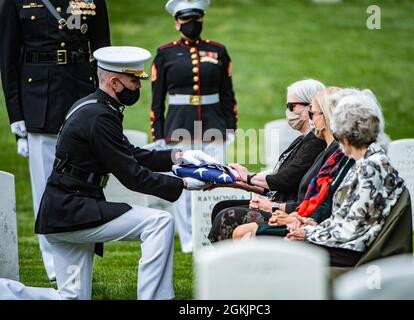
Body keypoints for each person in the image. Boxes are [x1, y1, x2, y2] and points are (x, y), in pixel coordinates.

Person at [0, 46, 213, 300]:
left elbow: (130, 153)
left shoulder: (95, 107)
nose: (138, 86)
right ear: (114, 82)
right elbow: (133, 176)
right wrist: (185, 184)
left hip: (64, 211)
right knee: (159, 222)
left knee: (71, 298)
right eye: (133, 80)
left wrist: (178, 156)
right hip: (73, 213)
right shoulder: (99, 117)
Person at [0, 0, 111, 281]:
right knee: (45, 188)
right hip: (39, 99)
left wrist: (105, 104)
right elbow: (8, 58)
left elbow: (103, 51)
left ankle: (80, 258)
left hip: (81, 95)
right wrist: (16, 115)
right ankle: (53, 266)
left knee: (84, 184)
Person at [234, 89, 405, 267]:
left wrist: (306, 232)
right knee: (248, 237)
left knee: (250, 239)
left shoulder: (371, 167)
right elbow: (341, 216)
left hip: (346, 251)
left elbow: (349, 231)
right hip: (336, 242)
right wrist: (305, 222)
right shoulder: (366, 161)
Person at [150, 0, 238, 253]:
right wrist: (159, 132)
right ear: (177, 22)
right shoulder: (165, 53)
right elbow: (157, 100)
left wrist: (230, 127)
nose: (191, 24)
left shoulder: (218, 51)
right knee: (185, 182)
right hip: (180, 126)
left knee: (215, 181)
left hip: (214, 126)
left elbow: (227, 94)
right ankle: (188, 239)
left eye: (196, 19)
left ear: (202, 19)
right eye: (186, 20)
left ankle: (211, 234)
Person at [210, 87, 341, 242]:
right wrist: (236, 180)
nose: (311, 118)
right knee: (223, 211)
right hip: (294, 211)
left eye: (313, 112)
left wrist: (276, 208)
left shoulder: (324, 147)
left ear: (326, 114)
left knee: (228, 218)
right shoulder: (310, 142)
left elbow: (286, 180)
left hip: (299, 217)